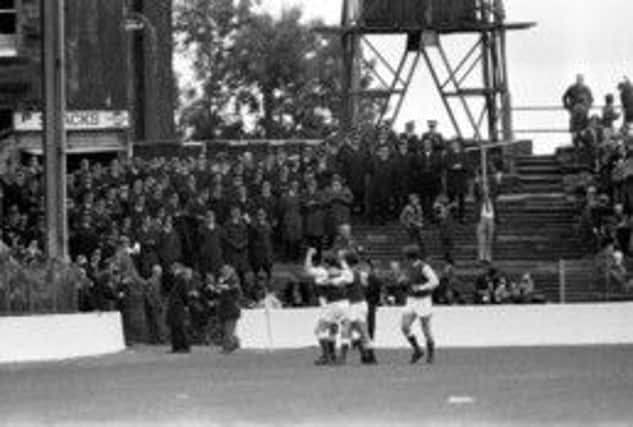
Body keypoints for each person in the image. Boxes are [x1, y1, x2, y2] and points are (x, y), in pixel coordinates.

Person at [305, 247, 353, 366]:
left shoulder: (322, 271)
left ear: (325, 262)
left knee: (319, 330)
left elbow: (308, 270)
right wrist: (342, 260)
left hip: (332, 304)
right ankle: (341, 358)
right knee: (342, 329)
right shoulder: (343, 271)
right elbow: (350, 278)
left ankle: (327, 356)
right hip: (345, 303)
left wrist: (309, 254)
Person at [399, 245, 439, 364]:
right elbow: (408, 279)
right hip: (411, 300)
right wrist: (403, 281)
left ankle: (430, 353)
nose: (404, 259)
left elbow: (435, 281)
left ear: (409, 257)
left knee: (425, 329)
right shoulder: (409, 267)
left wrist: (421, 287)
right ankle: (417, 349)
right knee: (404, 326)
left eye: (405, 256)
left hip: (423, 300)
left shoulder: (424, 267)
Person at [338, 251, 377, 365]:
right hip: (360, 303)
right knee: (360, 332)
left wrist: (331, 280)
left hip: (356, 304)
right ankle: (369, 357)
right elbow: (365, 283)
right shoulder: (360, 273)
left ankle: (343, 358)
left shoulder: (350, 273)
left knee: (348, 330)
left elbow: (342, 282)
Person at [216, 264, 243, 353]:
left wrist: (223, 286)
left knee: (228, 330)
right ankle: (235, 343)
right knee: (225, 330)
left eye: (225, 270)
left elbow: (234, 290)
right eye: (222, 271)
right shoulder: (222, 280)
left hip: (231, 309)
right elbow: (220, 291)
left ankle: (228, 348)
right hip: (224, 309)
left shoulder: (234, 280)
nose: (223, 272)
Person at [166, 264, 191, 353]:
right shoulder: (178, 279)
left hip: (178, 306)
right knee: (176, 327)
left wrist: (186, 305)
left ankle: (183, 346)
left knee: (179, 327)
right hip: (176, 306)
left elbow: (184, 294)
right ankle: (177, 346)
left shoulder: (181, 279)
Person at [445, 140, 469, 223]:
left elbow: (467, 164)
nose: (454, 145)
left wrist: (461, 166)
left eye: (456, 144)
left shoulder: (464, 154)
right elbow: (446, 164)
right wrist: (453, 166)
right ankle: (452, 215)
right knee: (451, 198)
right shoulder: (448, 154)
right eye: (453, 144)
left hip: (461, 180)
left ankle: (462, 216)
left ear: (459, 145)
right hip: (452, 180)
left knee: (461, 199)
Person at [475, 183, 495, 263]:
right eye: (484, 189)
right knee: (481, 239)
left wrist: (498, 181)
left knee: (490, 239)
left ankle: (488, 257)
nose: (485, 190)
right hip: (482, 218)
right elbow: (476, 193)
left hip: (491, 218)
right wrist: (477, 183)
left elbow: (497, 191)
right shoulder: (480, 198)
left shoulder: (492, 197)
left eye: (487, 189)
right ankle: (481, 257)